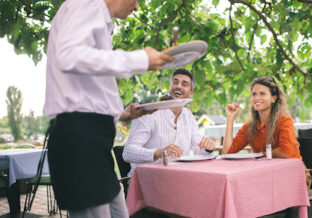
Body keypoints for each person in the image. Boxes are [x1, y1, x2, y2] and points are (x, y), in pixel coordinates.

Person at [43, 0, 173, 217]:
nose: (137, 7)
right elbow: (69, 56)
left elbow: (86, 93)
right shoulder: (85, 4)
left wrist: (124, 115)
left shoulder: (97, 19)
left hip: (94, 143)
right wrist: (139, 59)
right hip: (80, 141)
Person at [223, 77, 311, 190]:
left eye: (262, 94)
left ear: (273, 98)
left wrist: (262, 153)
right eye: (254, 94)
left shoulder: (284, 121)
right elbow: (227, 152)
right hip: (266, 177)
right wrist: (230, 119)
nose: (256, 98)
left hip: (293, 175)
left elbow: (286, 152)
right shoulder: (250, 126)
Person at [123, 68, 215, 175]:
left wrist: (208, 148)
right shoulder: (148, 113)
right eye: (175, 82)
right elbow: (128, 152)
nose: (178, 86)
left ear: (191, 93)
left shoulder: (188, 116)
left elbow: (199, 150)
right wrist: (158, 153)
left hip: (177, 178)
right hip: (146, 180)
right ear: (169, 87)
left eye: (184, 84)